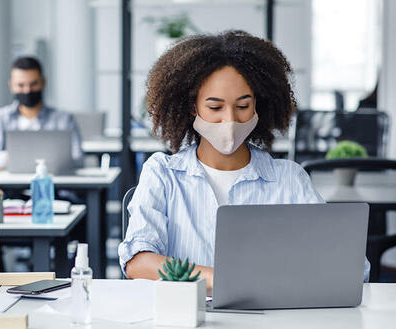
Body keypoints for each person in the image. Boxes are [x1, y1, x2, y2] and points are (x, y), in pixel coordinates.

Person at [118, 30, 370, 291]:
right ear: (193, 107)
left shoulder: (288, 179)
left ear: (257, 106)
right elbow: (137, 261)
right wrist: (222, 279)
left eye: (242, 106)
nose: (230, 120)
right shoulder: (162, 174)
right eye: (215, 107)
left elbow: (351, 267)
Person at [0, 56, 83, 168]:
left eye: (33, 84)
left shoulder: (64, 119)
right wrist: (5, 158)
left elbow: (78, 158)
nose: (27, 90)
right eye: (21, 85)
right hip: (7, 184)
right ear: (11, 86)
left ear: (43, 82)